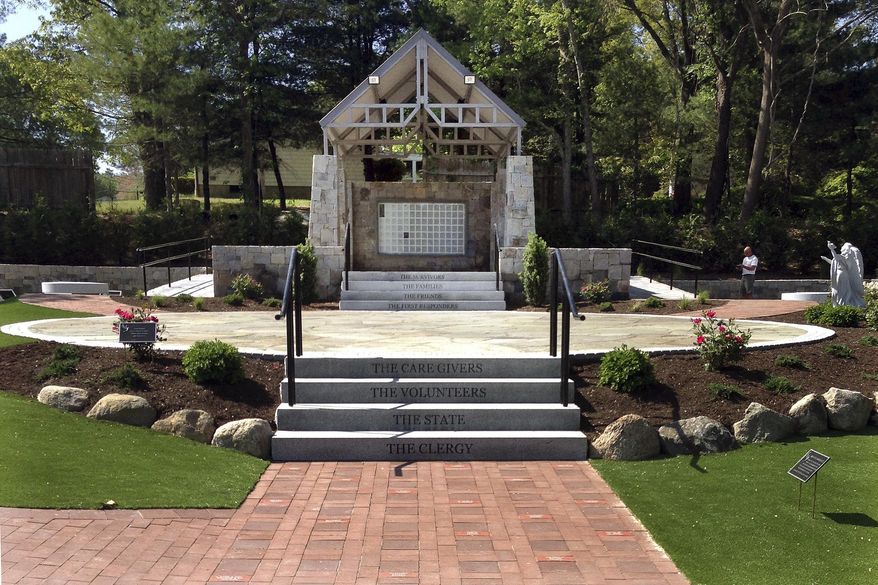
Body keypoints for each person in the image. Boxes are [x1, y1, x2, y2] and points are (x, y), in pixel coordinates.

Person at [822, 241, 865, 307]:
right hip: (841, 274)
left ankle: (844, 303)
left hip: (842, 275)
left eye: (842, 248)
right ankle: (843, 302)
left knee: (843, 290)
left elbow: (836, 258)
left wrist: (832, 249)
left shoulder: (844, 257)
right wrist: (826, 259)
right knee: (842, 290)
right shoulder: (843, 258)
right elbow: (834, 263)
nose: (841, 249)